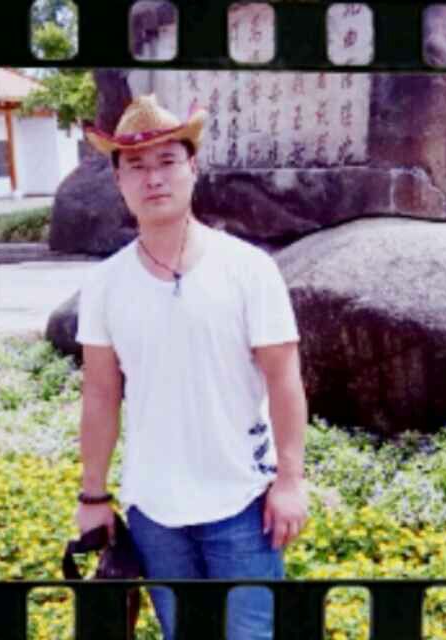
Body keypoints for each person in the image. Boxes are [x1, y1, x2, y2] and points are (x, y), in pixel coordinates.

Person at [75, 94, 308, 640]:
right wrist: (92, 496)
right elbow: (100, 394)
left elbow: (284, 379)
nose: (153, 178)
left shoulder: (248, 269)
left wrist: (291, 481)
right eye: (136, 165)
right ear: (118, 179)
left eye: (167, 161)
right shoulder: (104, 283)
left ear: (193, 167)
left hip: (244, 502)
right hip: (154, 510)